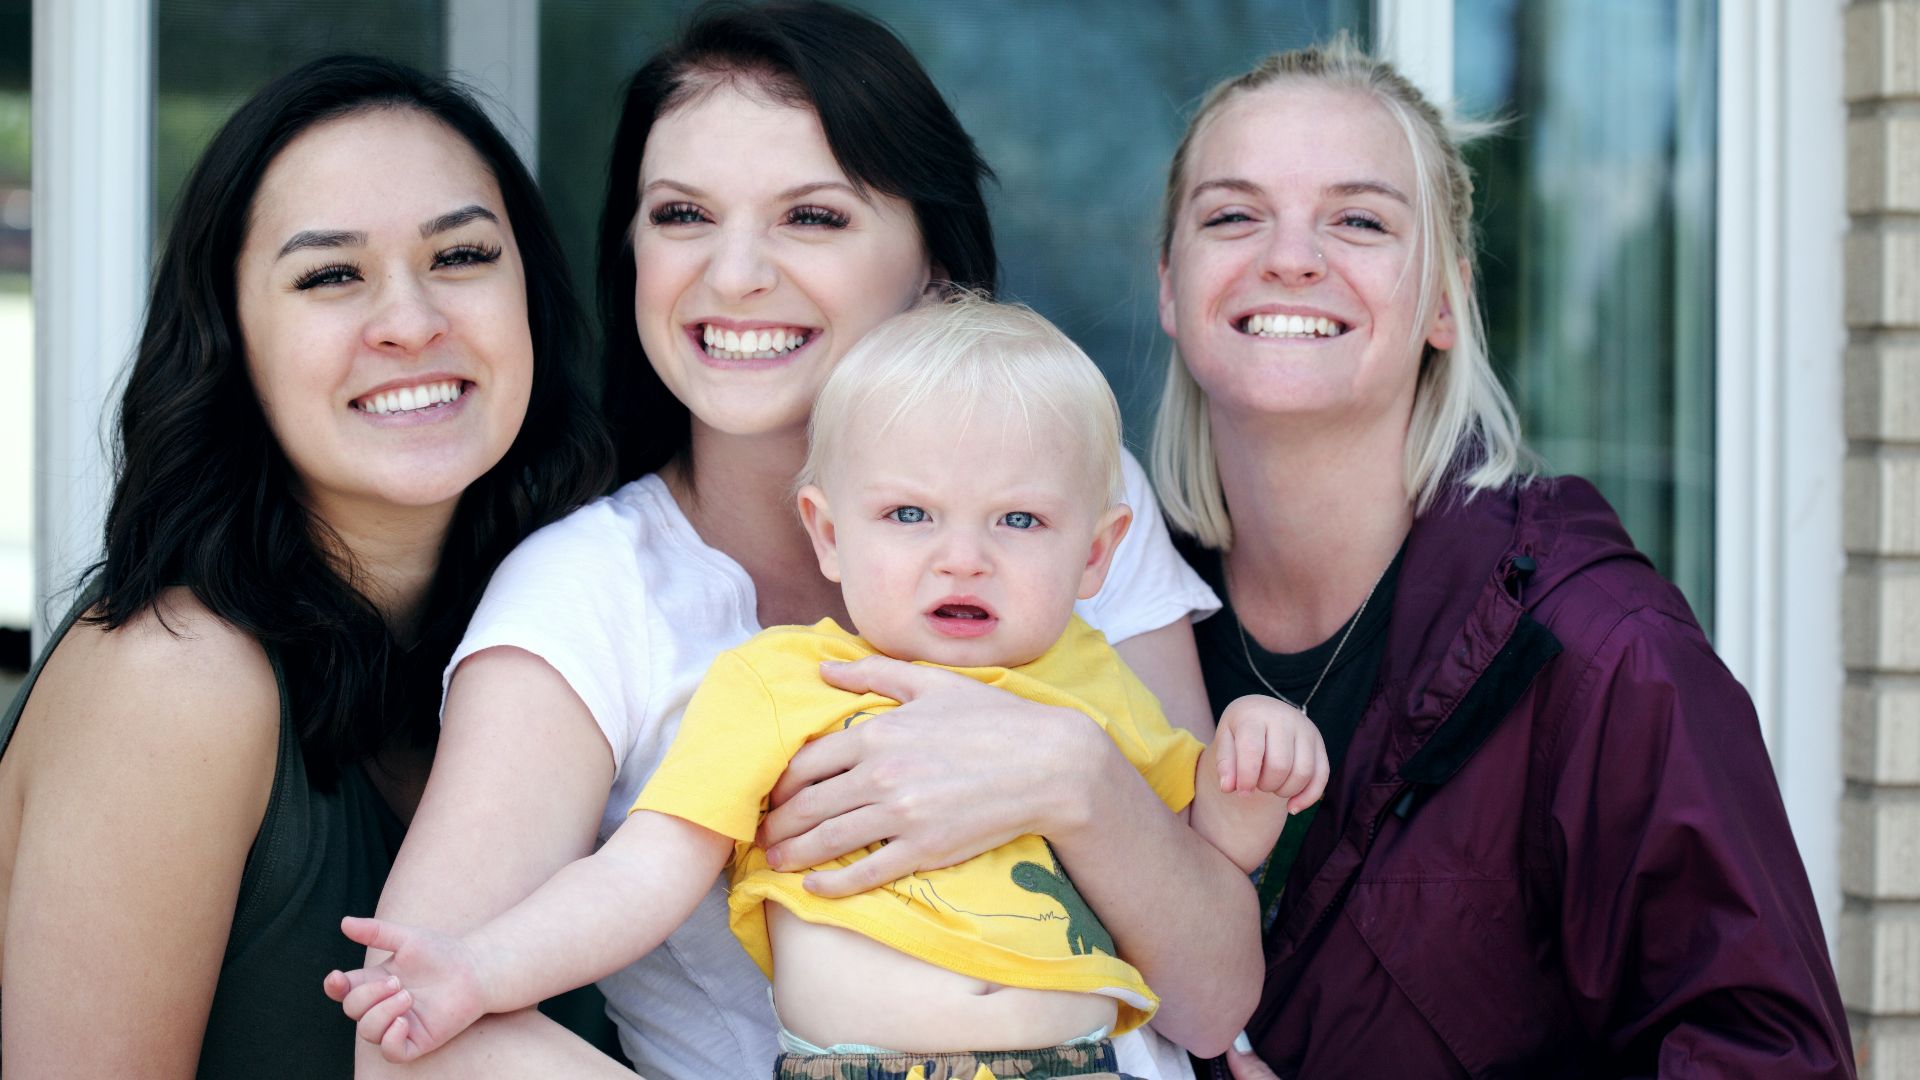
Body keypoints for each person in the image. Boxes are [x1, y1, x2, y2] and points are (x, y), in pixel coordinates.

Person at [354, 5, 1263, 1078]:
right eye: (682, 213)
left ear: (934, 264)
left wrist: (1075, 777)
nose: (735, 274)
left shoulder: (1063, 496)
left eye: (813, 217)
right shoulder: (585, 594)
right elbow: (409, 1049)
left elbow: (1210, 1007)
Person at [331, 299, 1327, 1079]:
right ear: (830, 531)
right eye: (909, 514)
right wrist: (478, 970)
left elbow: (1204, 855)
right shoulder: (780, 684)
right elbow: (641, 876)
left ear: (1097, 552)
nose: (962, 560)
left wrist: (1253, 761)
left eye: (1019, 522)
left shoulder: (1091, 682)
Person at [1146, 37, 1856, 1079]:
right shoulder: (1101, 619)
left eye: (1359, 220)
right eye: (1232, 215)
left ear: (1444, 302)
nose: (1290, 256)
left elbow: (1769, 1061)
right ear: (1170, 288)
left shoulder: (1603, 652)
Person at [0, 56, 612, 1078]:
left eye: (460, 255)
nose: (412, 322)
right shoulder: (176, 679)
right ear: (231, 341)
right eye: (331, 275)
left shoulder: (559, 644)